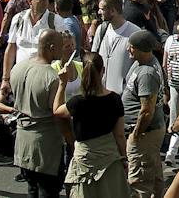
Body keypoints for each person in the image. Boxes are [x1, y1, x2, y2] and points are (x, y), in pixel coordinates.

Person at [0, 27, 69, 198]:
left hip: (23, 143)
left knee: (32, 189)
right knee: (48, 191)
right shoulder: (52, 78)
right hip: (46, 147)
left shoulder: (18, 68)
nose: (63, 49)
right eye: (61, 46)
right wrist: (72, 140)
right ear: (52, 47)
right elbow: (58, 114)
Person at [56, 52, 131, 198]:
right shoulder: (115, 99)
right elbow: (120, 135)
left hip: (85, 159)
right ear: (103, 71)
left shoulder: (77, 102)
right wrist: (124, 158)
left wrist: (62, 83)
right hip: (110, 159)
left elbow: (57, 111)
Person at [124, 30, 169, 198]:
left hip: (145, 134)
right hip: (145, 133)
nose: (129, 49)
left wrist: (136, 133)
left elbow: (147, 110)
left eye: (132, 47)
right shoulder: (140, 65)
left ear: (141, 49)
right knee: (154, 175)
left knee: (139, 181)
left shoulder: (147, 73)